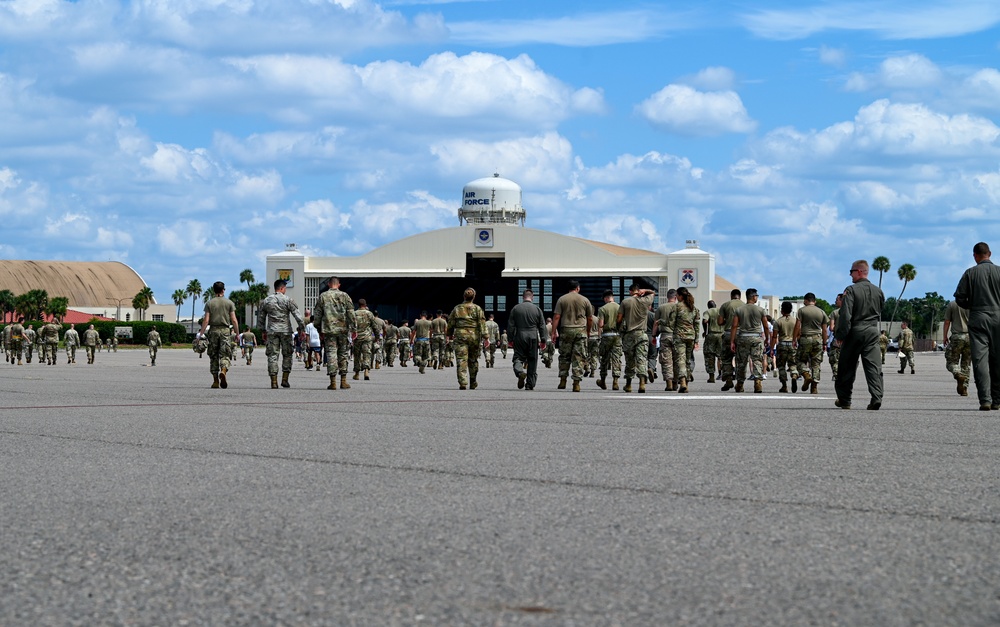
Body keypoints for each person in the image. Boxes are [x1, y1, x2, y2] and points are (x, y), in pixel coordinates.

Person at [954, 242, 1000, 410]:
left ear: (975, 255)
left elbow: (960, 298)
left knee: (980, 361)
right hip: (999, 317)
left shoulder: (970, 273)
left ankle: (985, 400)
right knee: (998, 360)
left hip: (978, 317)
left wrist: (972, 305)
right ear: (990, 253)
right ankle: (997, 399)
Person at [833, 260, 885, 410]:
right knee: (874, 367)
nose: (850, 275)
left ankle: (845, 399)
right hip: (872, 331)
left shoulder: (851, 290)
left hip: (855, 331)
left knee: (846, 367)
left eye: (852, 271)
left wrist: (840, 335)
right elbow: (880, 309)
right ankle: (876, 397)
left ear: (860, 271)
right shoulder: (878, 291)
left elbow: (845, 315)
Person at [257, 279, 305, 389]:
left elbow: (261, 318)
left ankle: (274, 381)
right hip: (285, 331)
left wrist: (262, 331)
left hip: (272, 331)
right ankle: (285, 379)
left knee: (272, 356)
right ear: (282, 288)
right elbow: (298, 316)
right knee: (287, 355)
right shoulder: (288, 300)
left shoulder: (267, 301)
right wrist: (302, 329)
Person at [312, 276, 356, 391]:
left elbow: (317, 315)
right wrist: (354, 329)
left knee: (331, 353)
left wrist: (319, 329)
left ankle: (333, 382)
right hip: (342, 330)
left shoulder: (323, 296)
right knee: (343, 354)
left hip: (328, 330)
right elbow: (351, 313)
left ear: (328, 284)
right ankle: (343, 381)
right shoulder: (345, 296)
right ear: (339, 285)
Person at [551, 279, 594, 392]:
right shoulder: (585, 300)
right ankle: (576, 383)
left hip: (566, 330)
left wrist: (553, 332)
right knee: (578, 357)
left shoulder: (562, 299)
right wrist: (588, 331)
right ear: (578, 288)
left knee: (564, 356)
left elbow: (556, 317)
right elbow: (590, 318)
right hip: (580, 331)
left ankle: (563, 380)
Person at [616, 284, 656, 393]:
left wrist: (618, 328)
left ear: (630, 291)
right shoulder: (645, 301)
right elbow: (653, 292)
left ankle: (628, 384)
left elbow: (619, 318)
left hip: (629, 334)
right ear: (638, 291)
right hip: (642, 334)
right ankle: (642, 383)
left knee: (629, 360)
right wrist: (645, 290)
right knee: (642, 359)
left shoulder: (625, 302)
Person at [199, 281, 239, 388]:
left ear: (214, 290)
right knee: (225, 354)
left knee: (213, 355)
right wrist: (237, 334)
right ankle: (224, 370)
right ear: (223, 290)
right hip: (225, 331)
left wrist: (200, 334)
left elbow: (206, 320)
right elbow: (234, 320)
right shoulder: (229, 303)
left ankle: (215, 380)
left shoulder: (209, 303)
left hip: (213, 331)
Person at [730, 288, 770, 393]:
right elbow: (766, 326)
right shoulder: (760, 310)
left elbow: (734, 326)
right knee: (757, 360)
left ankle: (740, 384)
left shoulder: (739, 310)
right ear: (753, 297)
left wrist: (732, 341)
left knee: (742, 362)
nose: (757, 297)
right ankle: (757, 382)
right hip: (756, 338)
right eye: (756, 296)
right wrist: (767, 339)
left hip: (743, 337)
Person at [447, 287, 487, 390]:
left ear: (464, 296)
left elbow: (451, 323)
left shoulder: (457, 308)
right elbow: (482, 323)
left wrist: (449, 334)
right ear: (474, 297)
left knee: (461, 360)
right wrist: (486, 337)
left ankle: (463, 382)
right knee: (473, 360)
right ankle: (473, 380)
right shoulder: (478, 309)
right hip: (474, 336)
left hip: (460, 336)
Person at [508, 289, 547, 391]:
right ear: (532, 297)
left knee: (518, 357)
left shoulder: (516, 309)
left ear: (523, 297)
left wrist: (510, 339)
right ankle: (530, 384)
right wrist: (543, 340)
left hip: (520, 335)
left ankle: (520, 372)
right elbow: (542, 326)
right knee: (532, 360)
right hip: (533, 335)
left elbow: (511, 326)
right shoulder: (537, 309)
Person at [795, 293, 829, 394]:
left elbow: (797, 326)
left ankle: (806, 375)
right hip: (817, 338)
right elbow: (824, 330)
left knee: (799, 359)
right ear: (815, 301)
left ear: (805, 300)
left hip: (805, 338)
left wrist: (794, 339)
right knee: (816, 363)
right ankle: (814, 387)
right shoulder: (821, 312)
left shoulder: (801, 310)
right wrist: (824, 343)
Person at [669, 287, 699, 393]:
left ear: (680, 296)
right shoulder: (693, 308)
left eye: (677, 295)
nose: (676, 297)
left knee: (680, 360)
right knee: (687, 360)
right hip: (691, 337)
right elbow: (697, 325)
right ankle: (687, 382)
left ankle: (682, 382)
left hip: (679, 337)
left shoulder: (677, 307)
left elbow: (671, 323)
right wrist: (696, 340)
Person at [942, 300, 971, 397]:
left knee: (951, 361)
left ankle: (957, 373)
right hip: (971, 337)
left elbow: (947, 322)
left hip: (957, 336)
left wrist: (945, 336)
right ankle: (965, 388)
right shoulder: (974, 302)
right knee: (966, 363)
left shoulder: (952, 304)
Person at [596, 289, 622, 391]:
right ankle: (615, 381)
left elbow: (601, 324)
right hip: (617, 335)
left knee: (604, 359)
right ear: (613, 297)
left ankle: (603, 380)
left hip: (606, 335)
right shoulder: (619, 307)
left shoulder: (602, 309)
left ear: (606, 298)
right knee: (616, 358)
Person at [717, 289, 742, 390]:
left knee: (726, 359)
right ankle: (740, 384)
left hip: (728, 333)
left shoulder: (725, 305)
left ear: (731, 296)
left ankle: (728, 380)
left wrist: (727, 322)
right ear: (739, 296)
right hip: (741, 334)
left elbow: (719, 321)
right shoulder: (744, 305)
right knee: (741, 360)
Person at [652, 289, 677, 391]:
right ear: (675, 297)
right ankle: (676, 382)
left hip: (665, 336)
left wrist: (654, 336)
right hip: (677, 336)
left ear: (667, 297)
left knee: (666, 360)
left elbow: (656, 323)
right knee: (677, 360)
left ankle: (669, 383)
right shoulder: (679, 308)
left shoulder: (661, 308)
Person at [772, 302, 798, 393]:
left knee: (781, 366)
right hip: (792, 344)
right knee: (793, 364)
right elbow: (799, 334)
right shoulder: (795, 321)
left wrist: (772, 348)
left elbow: (774, 336)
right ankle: (794, 375)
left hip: (782, 344)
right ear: (791, 310)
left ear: (782, 310)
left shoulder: (778, 321)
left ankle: (784, 385)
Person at [353, 299, 377, 380]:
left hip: (357, 338)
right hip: (367, 337)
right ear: (365, 304)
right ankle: (366, 371)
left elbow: (351, 326)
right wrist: (377, 337)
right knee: (367, 354)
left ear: (358, 305)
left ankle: (356, 373)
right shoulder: (369, 314)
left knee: (357, 355)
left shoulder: (354, 313)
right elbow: (375, 326)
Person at [702, 300, 723, 383]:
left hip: (711, 335)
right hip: (721, 335)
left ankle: (711, 376)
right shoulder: (721, 311)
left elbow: (705, 321)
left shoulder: (707, 312)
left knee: (709, 355)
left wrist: (705, 331)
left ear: (708, 306)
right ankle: (722, 374)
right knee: (721, 355)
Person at [410, 310, 433, 374]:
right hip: (426, 340)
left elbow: (413, 332)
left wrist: (411, 340)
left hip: (419, 340)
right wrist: (430, 338)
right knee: (426, 355)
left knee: (418, 354)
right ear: (426, 316)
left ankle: (420, 362)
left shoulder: (417, 322)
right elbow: (431, 331)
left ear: (420, 315)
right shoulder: (429, 322)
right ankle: (423, 366)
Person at [828, 293, 843, 381]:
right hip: (849, 339)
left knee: (834, 358)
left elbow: (831, 327)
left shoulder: (835, 312)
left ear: (841, 300)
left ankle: (836, 374)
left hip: (837, 339)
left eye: (837, 300)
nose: (835, 301)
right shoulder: (853, 312)